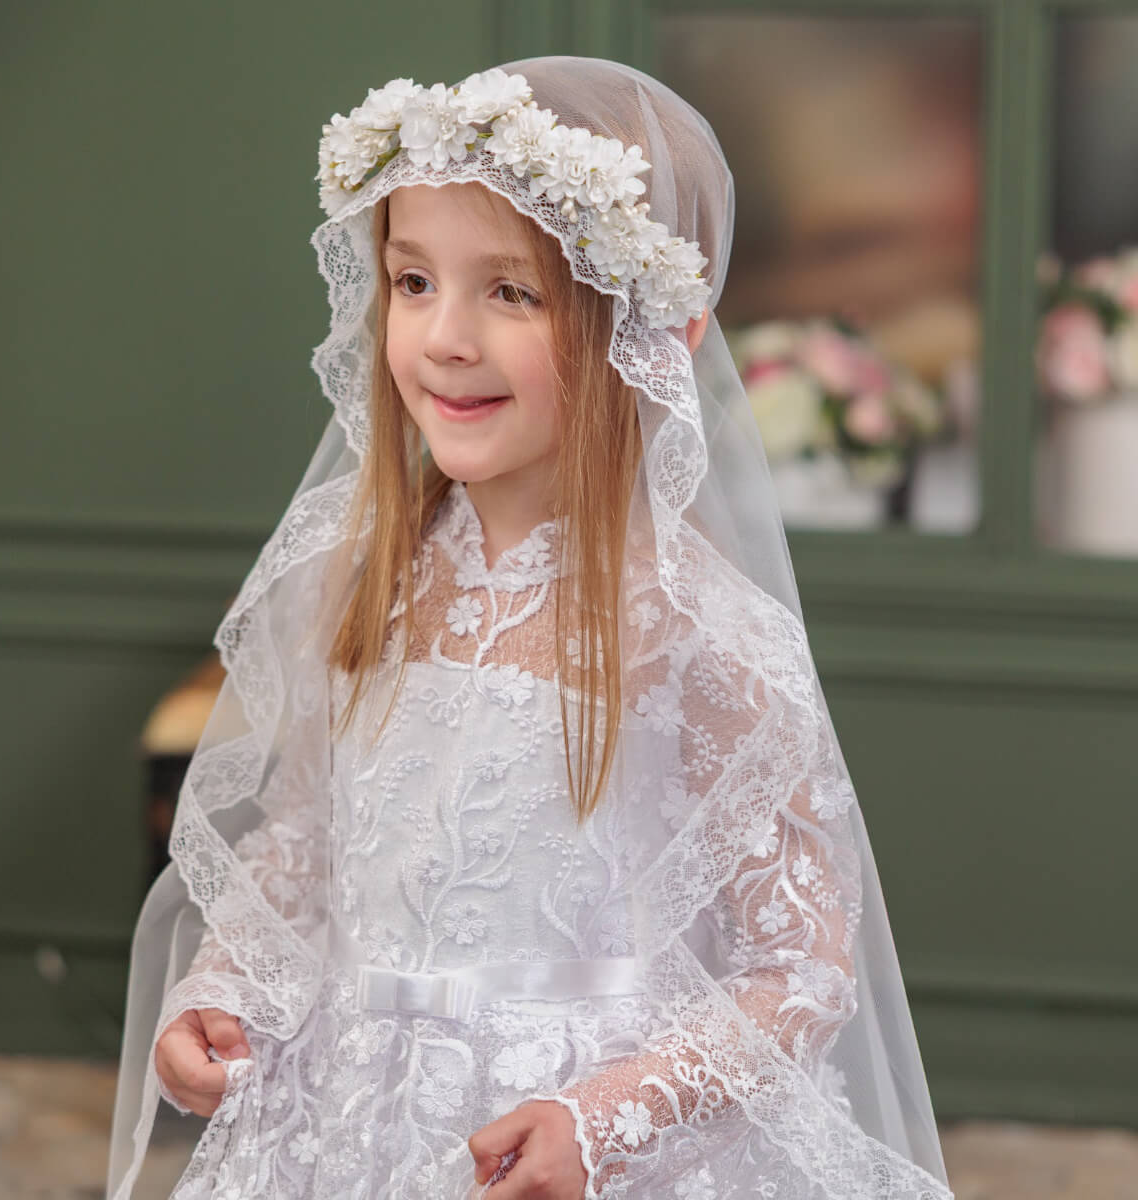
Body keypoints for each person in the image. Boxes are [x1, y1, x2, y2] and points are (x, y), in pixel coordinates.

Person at [108, 56, 954, 1200]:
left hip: (569, 1143)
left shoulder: (692, 630)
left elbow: (796, 970)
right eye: (414, 282)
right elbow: (309, 842)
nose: (446, 338)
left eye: (510, 293)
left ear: (651, 334)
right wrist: (227, 988)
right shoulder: (369, 576)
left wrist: (603, 1121)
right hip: (343, 1122)